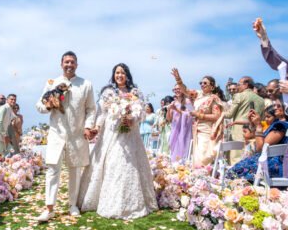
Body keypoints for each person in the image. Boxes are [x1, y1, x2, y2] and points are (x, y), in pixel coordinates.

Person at [78, 63, 157, 219]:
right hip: (112, 134)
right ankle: (106, 199)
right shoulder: (108, 93)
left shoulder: (135, 93)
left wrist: (132, 119)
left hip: (130, 135)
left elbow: (141, 114)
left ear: (127, 75)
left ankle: (134, 203)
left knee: (131, 164)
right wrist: (96, 128)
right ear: (114, 75)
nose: (119, 75)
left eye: (122, 72)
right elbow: (101, 113)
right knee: (113, 163)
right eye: (117, 73)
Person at [36, 51, 96, 221]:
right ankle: (49, 208)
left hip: (77, 135)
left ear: (77, 64)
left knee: (75, 170)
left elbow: (91, 109)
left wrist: (87, 126)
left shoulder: (86, 84)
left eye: (72, 62)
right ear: (61, 64)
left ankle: (73, 205)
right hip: (56, 133)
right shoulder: (52, 83)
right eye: (66, 62)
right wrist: (48, 105)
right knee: (52, 169)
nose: (69, 65)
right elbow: (39, 105)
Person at [171, 68, 224, 168]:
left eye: (205, 83)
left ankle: (202, 176)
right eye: (201, 83)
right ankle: (199, 177)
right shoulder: (198, 95)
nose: (202, 85)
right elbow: (185, 90)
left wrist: (199, 115)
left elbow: (217, 116)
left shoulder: (214, 98)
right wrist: (178, 79)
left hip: (206, 130)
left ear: (212, 87)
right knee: (196, 155)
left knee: (202, 156)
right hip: (196, 129)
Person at [227, 104, 288, 181]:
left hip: (272, 165)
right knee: (235, 170)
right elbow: (256, 137)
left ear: (281, 112)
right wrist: (253, 124)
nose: (266, 119)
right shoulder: (274, 125)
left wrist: (258, 125)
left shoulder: (280, 126)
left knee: (235, 172)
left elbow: (260, 149)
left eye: (268, 117)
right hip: (266, 161)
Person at [224, 76, 265, 165]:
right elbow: (262, 119)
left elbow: (229, 114)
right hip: (254, 133)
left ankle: (236, 178)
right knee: (251, 157)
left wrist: (220, 110)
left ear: (246, 85)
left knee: (236, 158)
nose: (237, 87)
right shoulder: (261, 100)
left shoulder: (239, 96)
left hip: (239, 131)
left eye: (239, 84)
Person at [166, 84, 193, 162]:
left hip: (184, 130)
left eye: (178, 88)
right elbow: (169, 119)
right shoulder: (174, 102)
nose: (176, 90)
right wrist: (168, 110)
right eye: (175, 89)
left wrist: (177, 110)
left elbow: (191, 114)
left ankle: (181, 165)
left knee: (182, 148)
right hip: (175, 129)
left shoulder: (187, 101)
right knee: (173, 148)